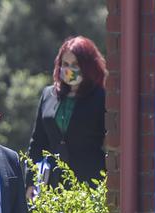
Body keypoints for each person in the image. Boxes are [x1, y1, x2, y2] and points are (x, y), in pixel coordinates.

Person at [26, 35, 107, 199]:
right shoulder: (48, 94)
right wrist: (30, 181)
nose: (69, 69)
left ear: (88, 66)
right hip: (51, 187)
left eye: (76, 65)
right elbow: (37, 142)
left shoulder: (101, 97)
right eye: (65, 64)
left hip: (88, 185)